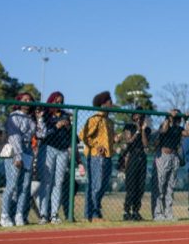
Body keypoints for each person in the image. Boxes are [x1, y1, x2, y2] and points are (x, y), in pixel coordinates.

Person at [0, 92, 38, 227]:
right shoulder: (14, 116)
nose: (27, 102)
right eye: (25, 99)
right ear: (19, 101)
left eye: (30, 100)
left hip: (28, 150)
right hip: (16, 149)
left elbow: (40, 134)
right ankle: (4, 215)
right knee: (12, 184)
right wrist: (18, 155)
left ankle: (19, 214)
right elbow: (14, 137)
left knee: (25, 185)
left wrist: (40, 119)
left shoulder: (32, 118)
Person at [36, 92, 73, 223]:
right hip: (48, 148)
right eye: (56, 101)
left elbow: (71, 135)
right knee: (47, 182)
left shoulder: (65, 115)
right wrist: (56, 126)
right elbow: (41, 134)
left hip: (62, 150)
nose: (59, 104)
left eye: (61, 102)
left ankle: (54, 214)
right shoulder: (45, 114)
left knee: (58, 182)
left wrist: (68, 126)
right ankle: (43, 214)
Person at [79, 91, 115, 222]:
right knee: (96, 185)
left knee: (103, 185)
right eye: (109, 101)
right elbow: (83, 135)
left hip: (108, 156)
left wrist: (116, 139)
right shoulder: (95, 119)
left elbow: (109, 139)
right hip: (95, 156)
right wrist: (95, 146)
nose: (112, 103)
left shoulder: (110, 121)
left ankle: (96, 211)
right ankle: (91, 214)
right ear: (103, 103)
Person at [151, 109, 186, 221]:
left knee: (170, 186)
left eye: (178, 118)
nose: (177, 120)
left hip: (174, 156)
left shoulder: (179, 128)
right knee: (160, 185)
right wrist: (168, 117)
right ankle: (158, 213)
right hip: (163, 156)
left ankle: (168, 213)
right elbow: (164, 130)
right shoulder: (165, 125)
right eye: (175, 117)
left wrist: (186, 119)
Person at [120, 112, 150, 221]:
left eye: (141, 117)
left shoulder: (146, 129)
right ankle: (126, 211)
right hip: (132, 156)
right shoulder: (129, 126)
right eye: (137, 116)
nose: (139, 118)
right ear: (133, 116)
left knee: (140, 187)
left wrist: (142, 130)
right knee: (131, 186)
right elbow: (129, 141)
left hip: (142, 157)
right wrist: (137, 130)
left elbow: (145, 144)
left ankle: (136, 211)